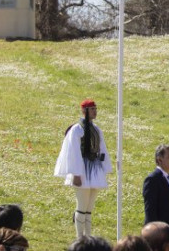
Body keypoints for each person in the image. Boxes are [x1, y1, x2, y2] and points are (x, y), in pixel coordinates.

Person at [54, 100, 113, 238]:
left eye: (95, 109)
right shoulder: (77, 129)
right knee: (82, 205)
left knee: (89, 208)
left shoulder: (97, 129)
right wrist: (76, 173)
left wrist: (104, 168)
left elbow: (102, 148)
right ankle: (80, 237)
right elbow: (73, 152)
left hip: (94, 169)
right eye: (92, 109)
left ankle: (88, 236)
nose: (94, 111)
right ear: (84, 111)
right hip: (82, 169)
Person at [143, 145, 169, 243]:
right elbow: (150, 211)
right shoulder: (153, 180)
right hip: (159, 237)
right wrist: (154, 234)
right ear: (159, 160)